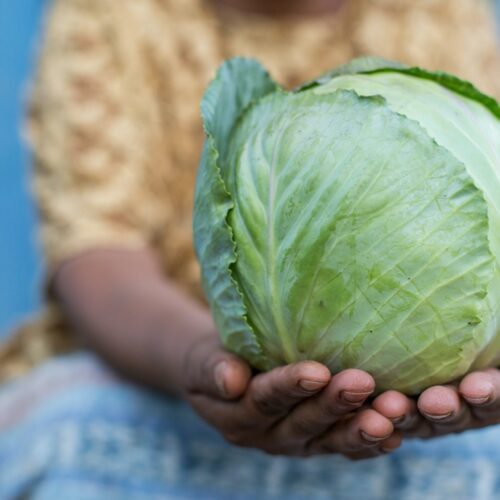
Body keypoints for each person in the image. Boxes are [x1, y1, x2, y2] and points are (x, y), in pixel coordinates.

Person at [1, 0, 500, 497]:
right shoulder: (111, 15)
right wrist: (202, 360)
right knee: (72, 417)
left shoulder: (439, 11)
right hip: (157, 367)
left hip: (412, 402)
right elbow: (98, 254)